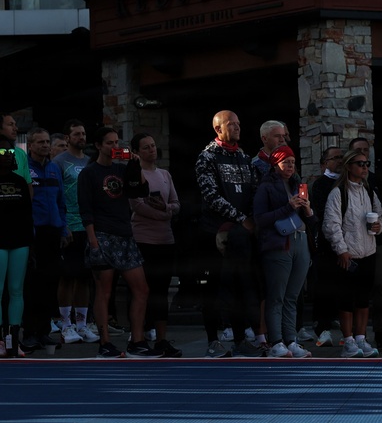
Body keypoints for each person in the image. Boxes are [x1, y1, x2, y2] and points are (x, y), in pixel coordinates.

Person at [78, 127, 161, 358]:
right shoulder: (89, 173)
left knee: (141, 288)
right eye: (109, 143)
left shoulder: (121, 169)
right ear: (98, 146)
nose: (114, 147)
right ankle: (104, 343)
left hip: (125, 235)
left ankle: (137, 341)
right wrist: (93, 241)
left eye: (117, 143)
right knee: (104, 292)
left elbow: (141, 191)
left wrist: (136, 166)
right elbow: (85, 209)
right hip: (102, 235)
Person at [194, 110, 261, 358]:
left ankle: (241, 339)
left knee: (241, 288)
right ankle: (214, 341)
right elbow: (211, 196)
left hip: (241, 236)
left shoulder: (244, 157)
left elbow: (255, 190)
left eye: (238, 123)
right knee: (212, 291)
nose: (236, 128)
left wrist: (251, 217)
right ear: (218, 129)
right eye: (230, 124)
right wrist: (241, 218)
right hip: (214, 233)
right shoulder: (206, 157)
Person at [254, 145, 315, 358]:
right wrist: (288, 207)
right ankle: (276, 341)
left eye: (292, 162)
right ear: (275, 163)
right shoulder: (266, 187)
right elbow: (260, 219)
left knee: (292, 296)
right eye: (285, 162)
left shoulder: (298, 184)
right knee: (276, 296)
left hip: (300, 241)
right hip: (279, 244)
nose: (290, 166)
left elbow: (311, 220)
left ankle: (291, 339)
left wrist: (307, 210)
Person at [323, 148, 382, 358]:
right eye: (360, 164)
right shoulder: (338, 192)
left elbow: (379, 217)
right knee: (346, 299)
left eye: (367, 164)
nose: (365, 167)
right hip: (348, 253)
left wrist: (378, 227)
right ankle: (348, 341)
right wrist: (342, 250)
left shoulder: (369, 191)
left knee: (364, 299)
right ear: (349, 166)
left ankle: (360, 338)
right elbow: (331, 224)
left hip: (368, 251)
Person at [129, 132, 183, 357]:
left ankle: (162, 339)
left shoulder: (165, 174)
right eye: (146, 147)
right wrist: (162, 214)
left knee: (161, 290)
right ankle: (138, 337)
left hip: (165, 240)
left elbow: (175, 203)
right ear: (137, 152)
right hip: (144, 239)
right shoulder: (134, 173)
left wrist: (167, 210)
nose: (152, 150)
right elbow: (137, 205)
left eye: (153, 146)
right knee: (143, 290)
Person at [52, 120, 100, 344]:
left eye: (83, 133)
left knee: (84, 278)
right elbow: (55, 196)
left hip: (87, 226)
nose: (81, 137)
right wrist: (63, 225)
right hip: (69, 226)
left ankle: (81, 324)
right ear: (67, 137)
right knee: (67, 276)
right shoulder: (59, 162)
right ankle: (66, 325)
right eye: (76, 134)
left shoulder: (90, 161)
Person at [22, 128, 67, 353]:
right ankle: (29, 333)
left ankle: (43, 331)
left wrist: (64, 228)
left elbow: (61, 201)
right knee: (32, 284)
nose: (45, 145)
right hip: (34, 232)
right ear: (30, 145)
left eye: (47, 142)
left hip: (53, 231)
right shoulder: (25, 169)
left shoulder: (53, 169)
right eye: (40, 142)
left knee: (50, 284)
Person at [348, 137, 382, 351]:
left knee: (379, 285)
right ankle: (355, 336)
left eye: (367, 156)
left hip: (375, 242)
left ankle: (380, 331)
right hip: (351, 246)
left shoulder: (376, 182)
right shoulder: (341, 187)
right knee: (354, 290)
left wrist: (378, 224)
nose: (364, 164)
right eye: (359, 156)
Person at [0, 146, 34, 358]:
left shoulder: (20, 181)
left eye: (9, 154)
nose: (7, 157)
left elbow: (27, 211)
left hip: (20, 239)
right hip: (0, 241)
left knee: (16, 289)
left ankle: (13, 340)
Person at [309, 146, 343, 347]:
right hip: (326, 243)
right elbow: (321, 213)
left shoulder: (348, 182)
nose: (339, 160)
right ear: (324, 163)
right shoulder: (320, 185)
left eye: (341, 157)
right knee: (324, 286)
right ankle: (322, 328)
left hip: (348, 243)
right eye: (334, 158)